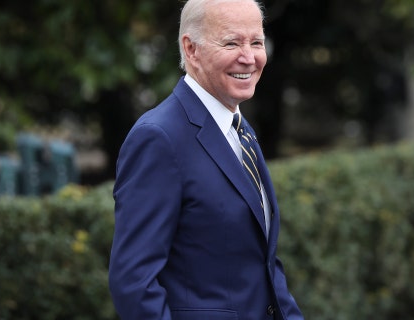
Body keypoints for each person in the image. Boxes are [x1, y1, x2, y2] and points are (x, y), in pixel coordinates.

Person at [108, 0, 304, 319]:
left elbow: (262, 264)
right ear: (191, 49)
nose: (249, 57)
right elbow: (133, 282)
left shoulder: (240, 129)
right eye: (231, 42)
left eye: (256, 42)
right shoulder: (158, 138)